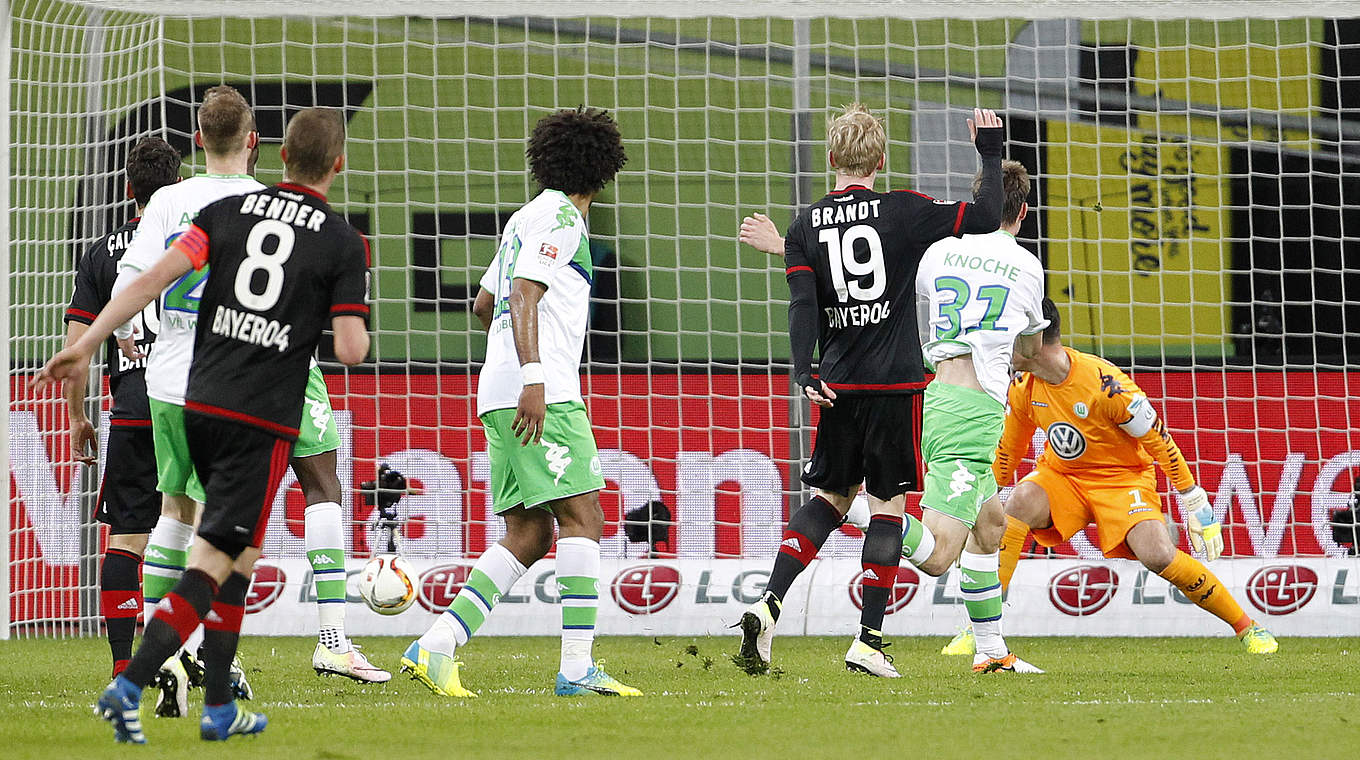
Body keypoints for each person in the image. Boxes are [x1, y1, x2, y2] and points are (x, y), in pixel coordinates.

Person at [36, 106, 372, 743]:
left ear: (278, 156)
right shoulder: (337, 238)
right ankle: (132, 682)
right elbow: (352, 350)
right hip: (260, 410)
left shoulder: (223, 214)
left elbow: (148, 282)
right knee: (222, 557)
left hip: (193, 395)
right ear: (338, 164)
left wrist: (89, 342)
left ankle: (216, 703)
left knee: (221, 543)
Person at [113, 87, 386, 708]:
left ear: (197, 142)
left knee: (176, 514)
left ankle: (166, 655)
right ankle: (330, 637)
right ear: (260, 143)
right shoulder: (264, 205)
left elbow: (133, 284)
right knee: (316, 488)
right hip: (266, 368)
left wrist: (126, 338)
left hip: (173, 375)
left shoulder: (169, 201)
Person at [733, 104, 1007, 677]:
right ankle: (868, 640)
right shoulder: (905, 210)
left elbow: (803, 304)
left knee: (829, 501)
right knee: (888, 508)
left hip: (836, 385)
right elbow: (986, 215)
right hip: (896, 385)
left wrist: (804, 372)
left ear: (831, 160)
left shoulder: (805, 225)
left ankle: (769, 602)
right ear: (881, 161)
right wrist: (987, 148)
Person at [400, 106, 638, 698]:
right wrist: (533, 374)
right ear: (603, 168)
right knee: (585, 516)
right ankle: (577, 668)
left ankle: (435, 645)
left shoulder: (523, 218)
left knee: (530, 532)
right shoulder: (562, 219)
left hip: (498, 390)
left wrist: (510, 364)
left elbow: (485, 304)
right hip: (542, 390)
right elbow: (523, 294)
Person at [939, 298, 1279, 656]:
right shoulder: (1024, 387)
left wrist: (1193, 499)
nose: (999, 345)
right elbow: (1008, 454)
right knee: (1017, 503)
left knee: (1158, 555)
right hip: (1063, 477)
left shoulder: (1107, 386)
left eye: (1008, 336)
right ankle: (980, 630)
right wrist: (977, 505)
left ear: (1033, 340)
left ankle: (1247, 627)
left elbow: (1158, 439)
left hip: (1122, 479)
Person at [899, 160, 1046, 674]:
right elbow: (1028, 350)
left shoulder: (941, 251)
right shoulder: (1027, 265)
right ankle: (856, 504)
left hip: (942, 393)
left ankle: (991, 652)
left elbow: (903, 297)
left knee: (990, 527)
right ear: (1023, 212)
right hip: (974, 411)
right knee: (940, 555)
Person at [64, 136, 182, 679]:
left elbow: (77, 347)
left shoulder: (102, 254)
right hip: (188, 404)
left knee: (128, 538)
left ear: (129, 189)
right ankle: (195, 655)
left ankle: (121, 666)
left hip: (133, 407)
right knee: (197, 532)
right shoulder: (197, 245)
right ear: (178, 186)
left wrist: (77, 417)